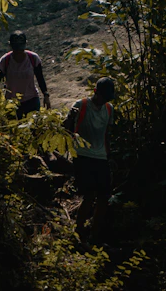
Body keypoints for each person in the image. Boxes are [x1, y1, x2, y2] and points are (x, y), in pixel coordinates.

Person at [65, 77, 115, 244]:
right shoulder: (81, 105)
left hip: (101, 156)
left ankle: (95, 233)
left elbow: (106, 134)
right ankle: (79, 231)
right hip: (83, 154)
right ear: (95, 92)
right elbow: (65, 128)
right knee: (89, 194)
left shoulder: (109, 108)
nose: (103, 101)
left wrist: (109, 155)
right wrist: (70, 118)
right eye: (102, 97)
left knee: (104, 196)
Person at [0, 30, 51, 118]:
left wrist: (46, 95)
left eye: (20, 49)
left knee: (33, 128)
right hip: (12, 103)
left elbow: (40, 78)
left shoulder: (33, 58)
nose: (18, 53)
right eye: (16, 50)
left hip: (32, 100)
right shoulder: (5, 61)